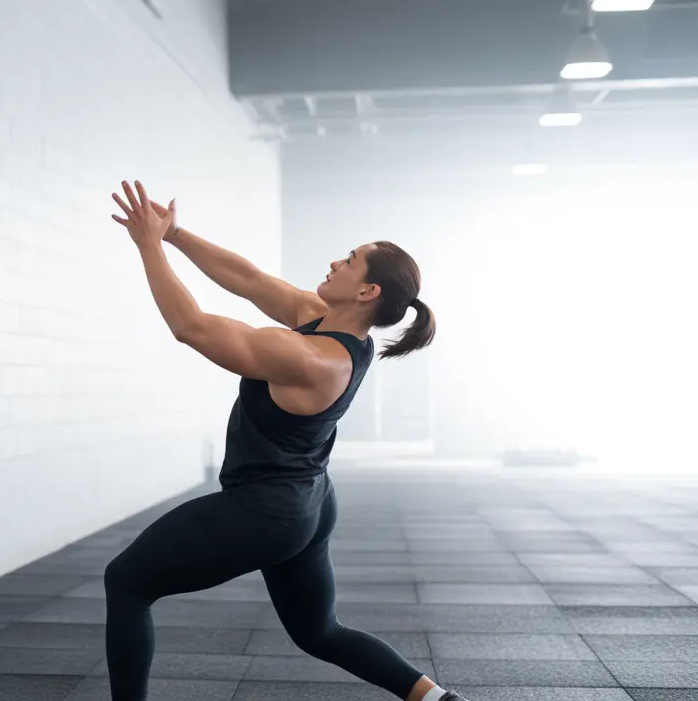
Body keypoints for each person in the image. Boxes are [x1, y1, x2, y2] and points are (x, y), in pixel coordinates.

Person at [104, 181, 463, 701]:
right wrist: (176, 233)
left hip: (266, 511)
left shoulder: (312, 357)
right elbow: (247, 279)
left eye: (351, 260)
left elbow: (192, 327)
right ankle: (437, 699)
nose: (336, 263)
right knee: (320, 632)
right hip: (310, 502)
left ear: (368, 292)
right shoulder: (324, 324)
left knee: (128, 581)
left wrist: (148, 246)